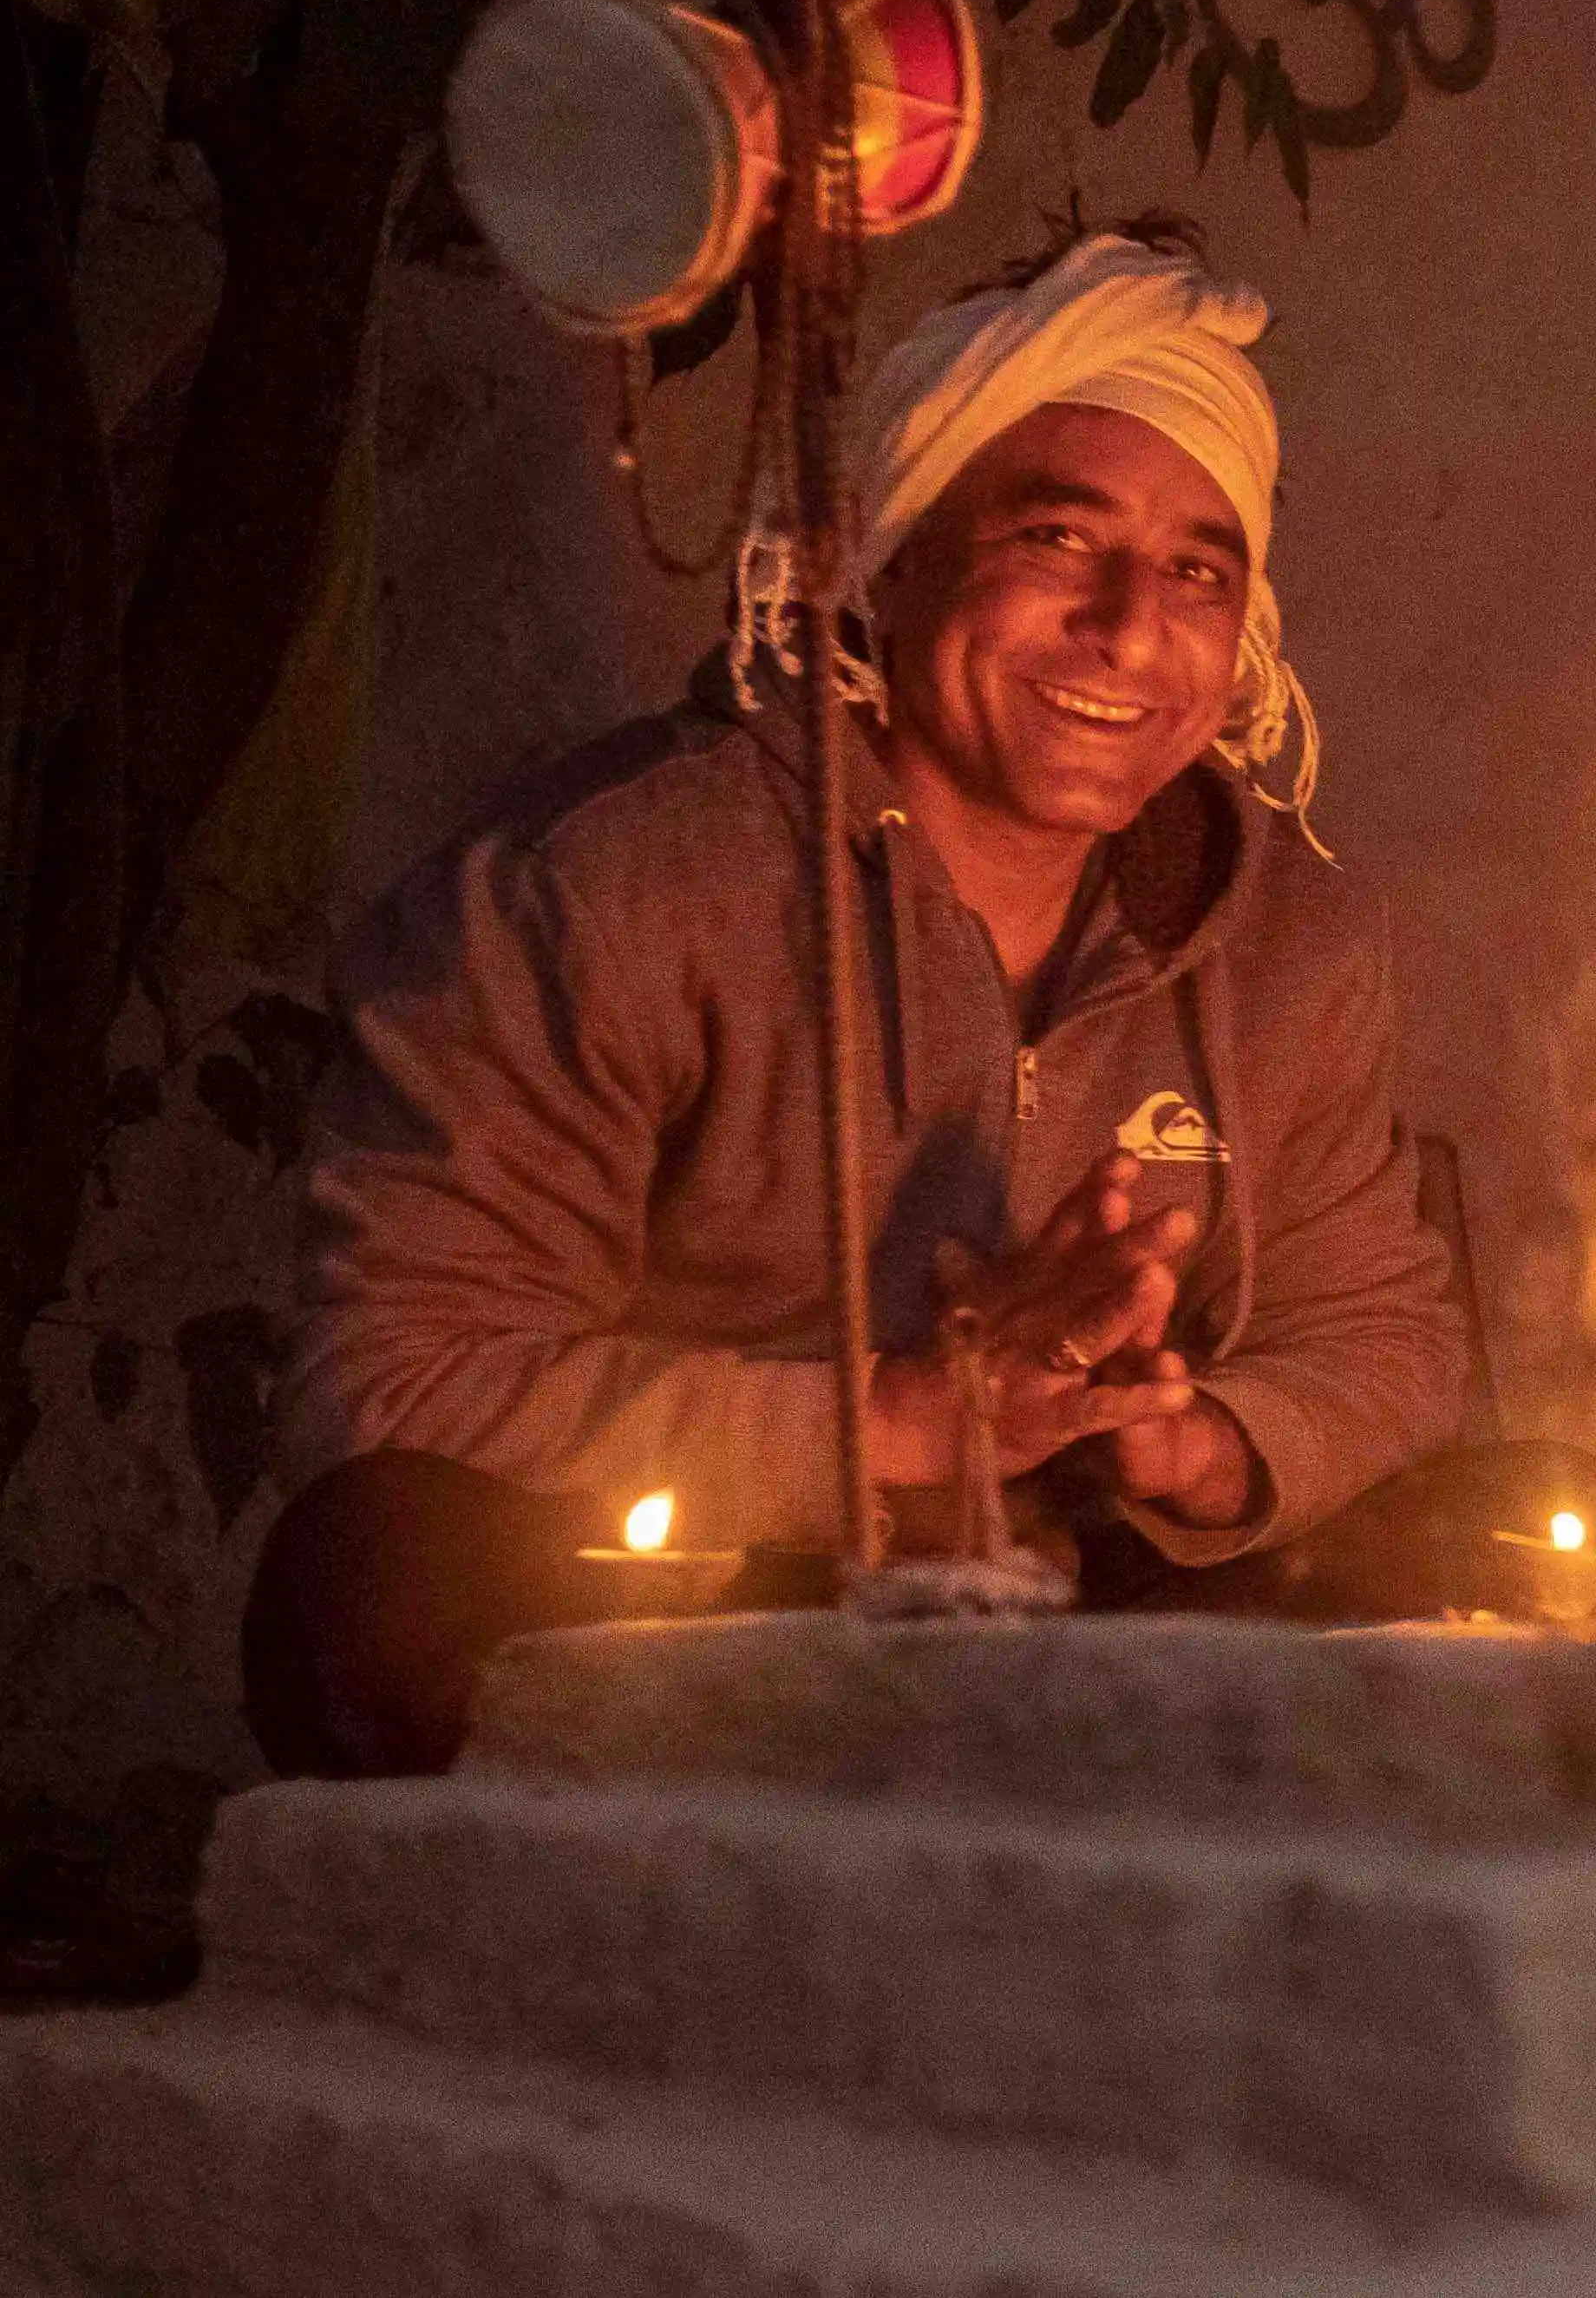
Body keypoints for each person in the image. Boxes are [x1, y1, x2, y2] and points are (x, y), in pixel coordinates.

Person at [246, 223, 1484, 1778]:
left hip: (1077, 1594)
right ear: (888, 562)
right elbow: (393, 1372)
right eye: (1056, 539)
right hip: (710, 1626)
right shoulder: (613, 885)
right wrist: (901, 1421)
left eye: (1194, 570)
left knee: (1491, 1548)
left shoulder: (1283, 935)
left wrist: (1183, 1443)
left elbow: (1380, 1337)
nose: (1128, 627)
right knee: (378, 1584)